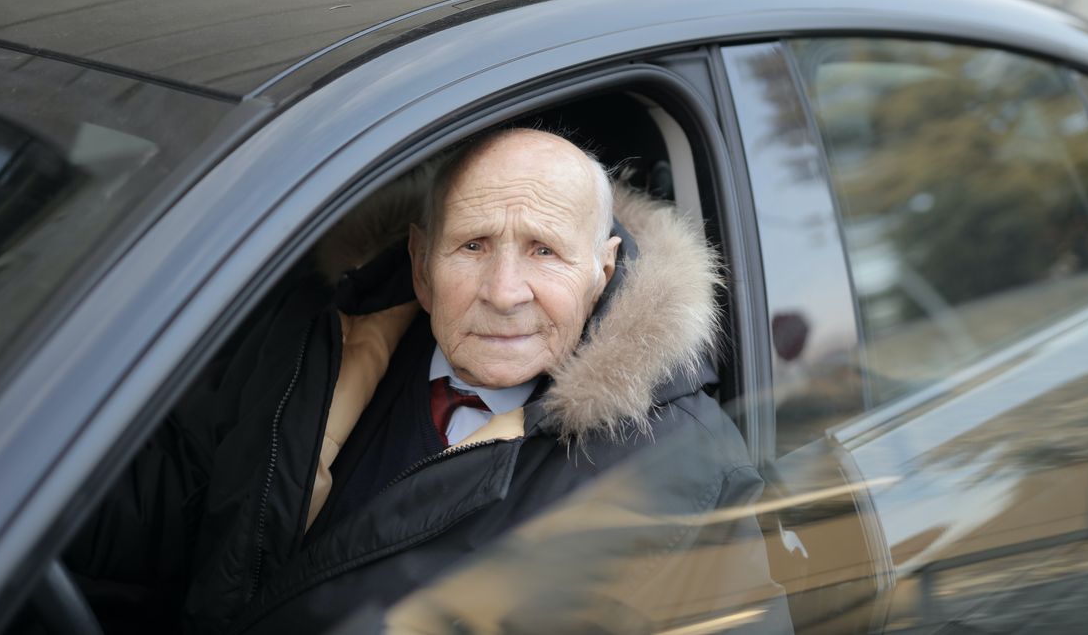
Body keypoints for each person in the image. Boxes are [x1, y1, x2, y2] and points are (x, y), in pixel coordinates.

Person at [68, 128, 791, 634]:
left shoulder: (687, 477)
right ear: (419, 263)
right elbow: (169, 501)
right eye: (472, 245)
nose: (504, 291)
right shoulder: (315, 339)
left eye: (543, 251)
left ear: (602, 270)